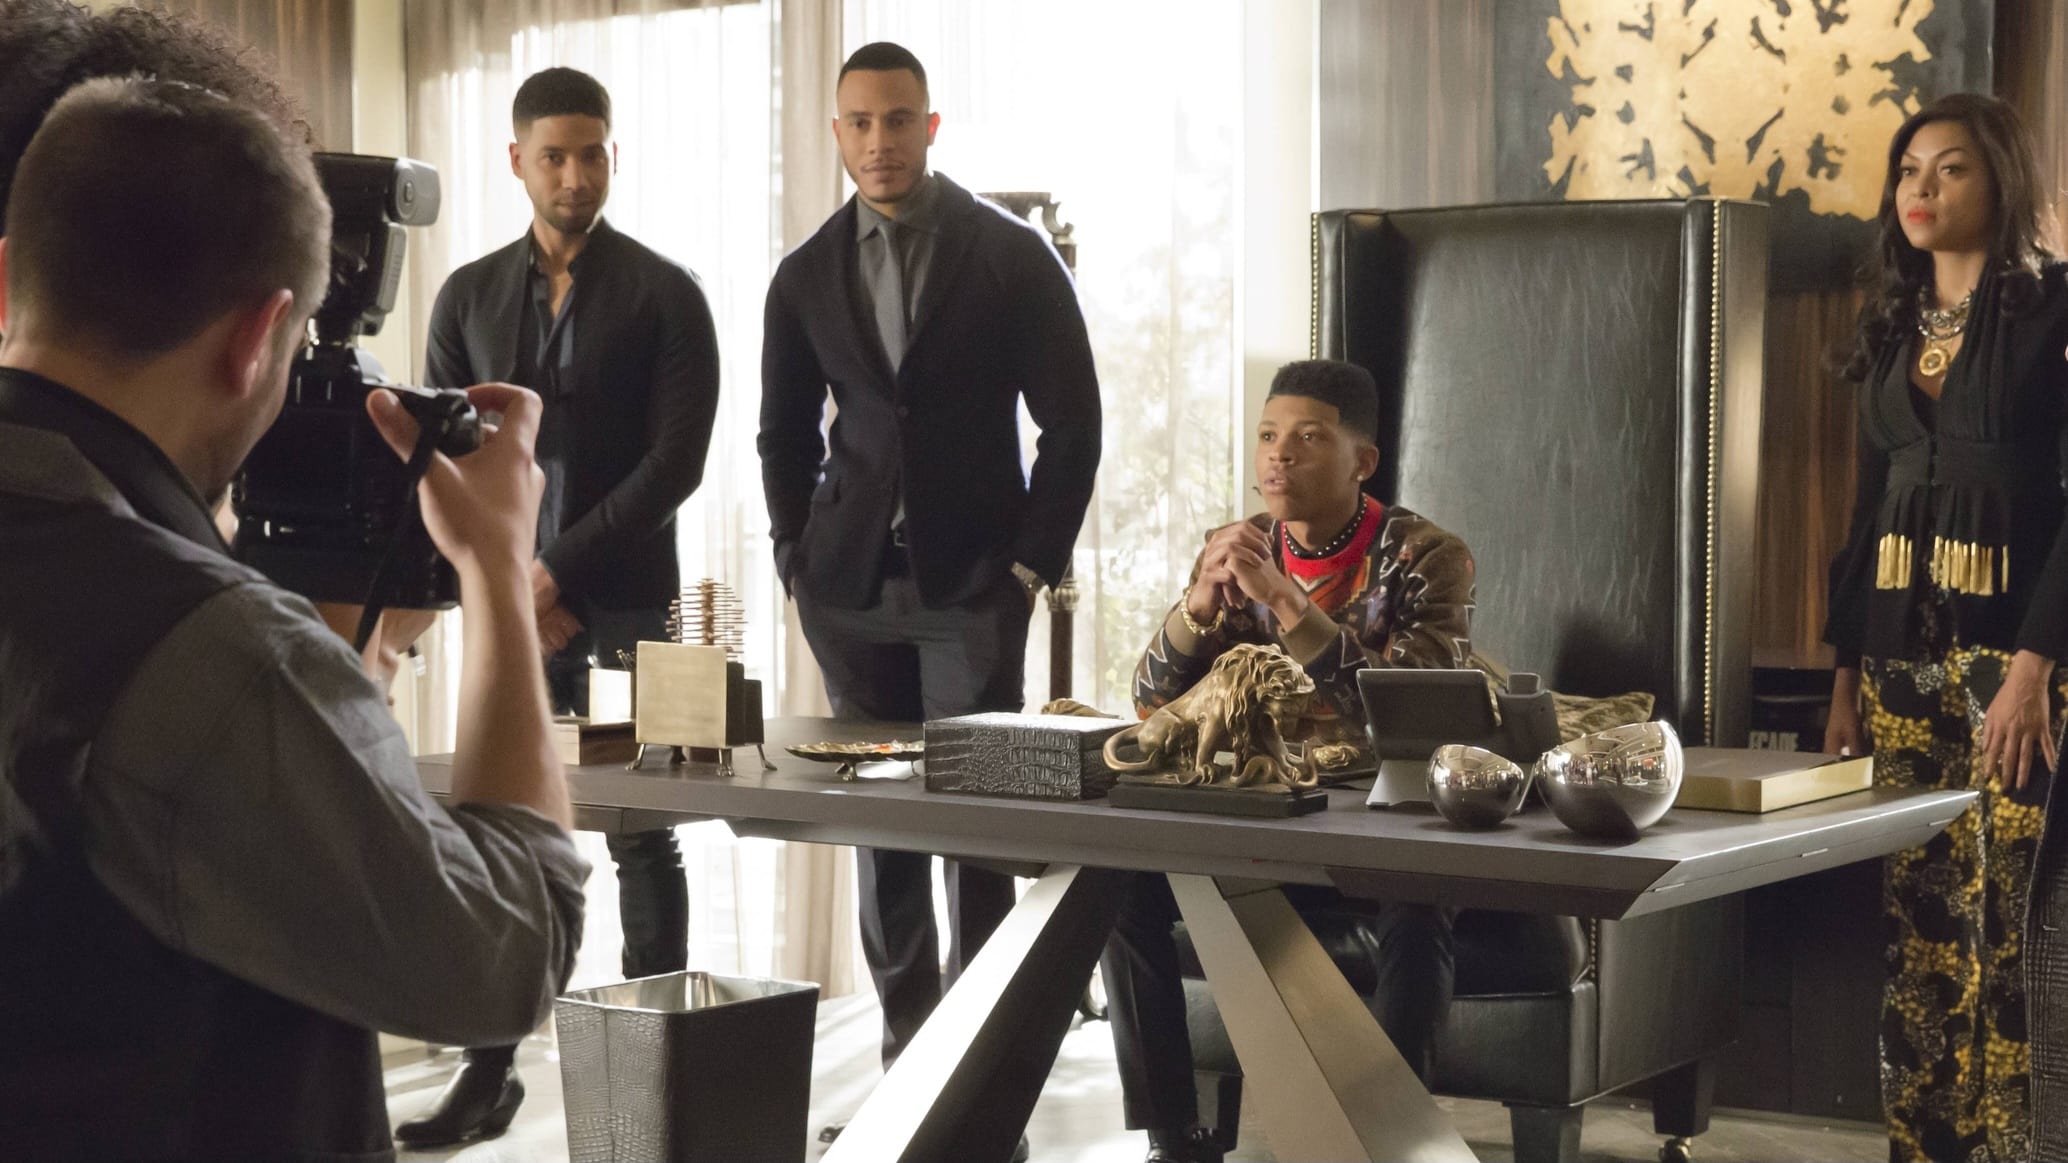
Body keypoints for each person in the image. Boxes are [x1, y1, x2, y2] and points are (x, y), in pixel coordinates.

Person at [0, 77, 585, 1162]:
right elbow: (505, 953)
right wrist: (500, 569)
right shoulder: (200, 645)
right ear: (260, 335)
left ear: (5, 282)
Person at [758, 39, 1100, 1146]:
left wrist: (1027, 569)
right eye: (859, 123)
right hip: (849, 592)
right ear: (837, 134)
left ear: (931, 126)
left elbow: (1073, 425)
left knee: (975, 834)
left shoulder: (1010, 256)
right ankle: (908, 1070)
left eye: (897, 120)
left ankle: (979, 1087)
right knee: (883, 837)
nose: (879, 141)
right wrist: (796, 563)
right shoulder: (804, 273)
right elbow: (780, 436)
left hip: (972, 591)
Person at [400, 66, 721, 1147]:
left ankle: (658, 1069)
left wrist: (551, 574)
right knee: (501, 827)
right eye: (554, 156)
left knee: (642, 834)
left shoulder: (668, 292)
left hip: (626, 605)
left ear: (613, 154)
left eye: (591, 153)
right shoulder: (465, 297)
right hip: (510, 601)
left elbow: (675, 464)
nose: (574, 174)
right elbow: (444, 455)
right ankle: (489, 1069)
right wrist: (518, 586)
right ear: (517, 161)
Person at [1105, 359, 1473, 1163]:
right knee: (1117, 878)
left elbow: (1410, 713)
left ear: (1362, 461)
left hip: (1382, 824)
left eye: (1308, 438)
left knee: (1418, 900)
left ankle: (1390, 1146)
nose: (1279, 454)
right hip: (1265, 819)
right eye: (1269, 436)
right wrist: (1197, 606)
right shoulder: (1236, 546)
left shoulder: (1428, 557)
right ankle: (1175, 1139)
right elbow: (1153, 704)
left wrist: (1287, 603)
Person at [1820, 93, 2068, 1163]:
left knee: (2010, 922)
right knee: (1918, 923)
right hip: (1897, 663)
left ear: (2000, 179)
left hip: (2015, 660)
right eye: (1908, 169)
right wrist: (1843, 678)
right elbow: (1864, 509)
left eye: (1950, 168)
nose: (1919, 189)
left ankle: (2017, 1146)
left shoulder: (2054, 312)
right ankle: (1921, 1147)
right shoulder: (1893, 325)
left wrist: (2033, 668)